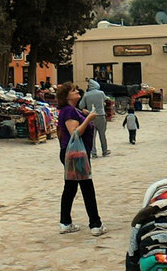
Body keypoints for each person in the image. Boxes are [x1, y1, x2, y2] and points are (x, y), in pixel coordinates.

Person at [54, 83, 105, 236]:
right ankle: (95, 224)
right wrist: (88, 118)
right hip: (77, 154)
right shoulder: (69, 111)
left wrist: (85, 114)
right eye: (73, 90)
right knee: (87, 188)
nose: (77, 92)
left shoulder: (72, 110)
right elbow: (74, 133)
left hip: (71, 153)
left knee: (70, 188)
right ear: (67, 96)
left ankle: (65, 222)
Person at [78, 80, 111, 157]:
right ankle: (105, 151)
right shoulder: (101, 93)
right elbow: (106, 99)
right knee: (102, 135)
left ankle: (93, 153)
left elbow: (81, 106)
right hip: (101, 115)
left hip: (91, 116)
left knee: (92, 136)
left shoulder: (86, 95)